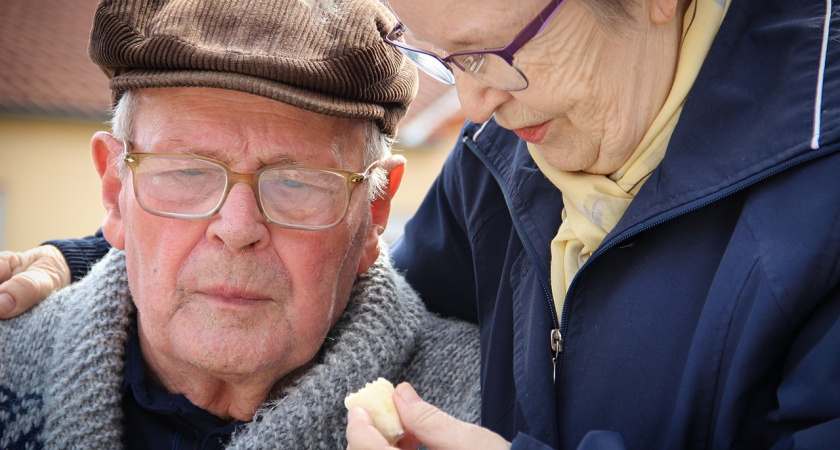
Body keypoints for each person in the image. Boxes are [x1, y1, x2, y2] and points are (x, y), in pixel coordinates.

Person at [3, 0, 839, 448]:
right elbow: (346, 278)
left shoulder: (819, 191)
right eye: (444, 60)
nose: (471, 108)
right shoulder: (501, 159)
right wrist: (90, 266)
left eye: (496, 50)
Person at [0, 0, 481, 448]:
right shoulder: (8, 363)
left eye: (295, 183)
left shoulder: (485, 408)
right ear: (114, 191)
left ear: (374, 212)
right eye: (188, 171)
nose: (236, 228)